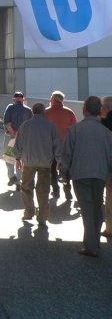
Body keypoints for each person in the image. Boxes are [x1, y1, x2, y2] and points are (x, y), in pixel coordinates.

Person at [59, 96, 112, 257]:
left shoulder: (75, 130)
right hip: (101, 173)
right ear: (99, 111)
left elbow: (66, 154)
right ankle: (94, 240)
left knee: (87, 209)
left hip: (80, 173)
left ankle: (91, 245)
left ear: (84, 110)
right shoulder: (107, 133)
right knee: (97, 206)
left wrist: (64, 173)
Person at [13, 103, 60, 225]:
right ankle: (42, 217)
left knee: (26, 187)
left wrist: (17, 158)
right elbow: (57, 145)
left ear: (33, 112)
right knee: (43, 190)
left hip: (28, 161)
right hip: (45, 162)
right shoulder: (51, 126)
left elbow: (18, 143)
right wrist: (59, 161)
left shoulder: (25, 125)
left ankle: (29, 212)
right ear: (44, 112)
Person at [44, 91, 77, 200]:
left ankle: (56, 191)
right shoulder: (69, 113)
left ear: (53, 99)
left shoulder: (46, 112)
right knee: (66, 170)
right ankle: (68, 192)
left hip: (50, 147)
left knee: (52, 170)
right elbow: (75, 130)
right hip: (66, 147)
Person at [3, 92, 32, 189]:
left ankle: (12, 176)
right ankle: (19, 181)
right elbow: (30, 125)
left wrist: (13, 133)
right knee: (20, 158)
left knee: (7, 156)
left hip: (10, 135)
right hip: (24, 137)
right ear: (23, 99)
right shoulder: (28, 110)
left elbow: (6, 122)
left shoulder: (10, 108)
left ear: (14, 99)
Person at [100, 96, 112, 239]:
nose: (100, 108)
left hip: (109, 166)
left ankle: (110, 229)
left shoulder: (104, 123)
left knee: (109, 199)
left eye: (102, 106)